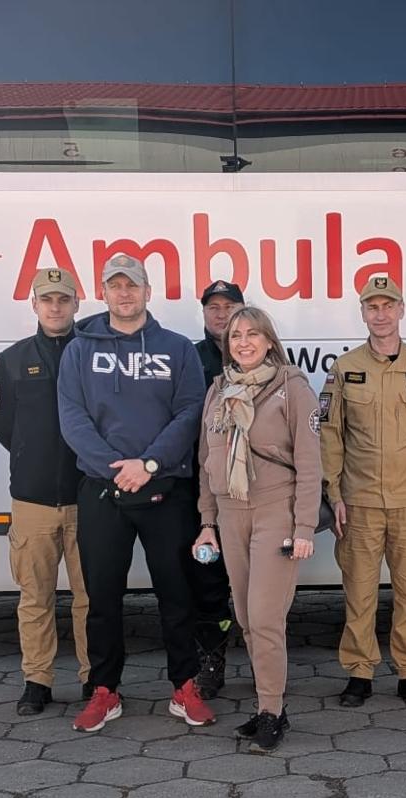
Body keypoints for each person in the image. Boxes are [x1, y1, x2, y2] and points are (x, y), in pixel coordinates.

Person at [58, 254, 214, 732]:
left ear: (149, 292)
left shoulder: (177, 349)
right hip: (103, 492)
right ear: (102, 293)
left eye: (133, 285)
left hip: (165, 489)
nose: (125, 293)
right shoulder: (79, 350)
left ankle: (185, 686)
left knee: (177, 594)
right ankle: (105, 690)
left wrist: (147, 465)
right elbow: (72, 416)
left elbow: (190, 412)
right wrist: (116, 469)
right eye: (115, 286)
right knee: (102, 597)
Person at [320, 274, 406, 708]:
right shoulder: (344, 369)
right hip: (359, 502)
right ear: (362, 313)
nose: (380, 315)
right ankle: (360, 673)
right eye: (372, 307)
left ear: (401, 310)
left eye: (388, 306)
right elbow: (330, 436)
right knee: (358, 592)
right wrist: (333, 494)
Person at [191, 306, 320, 753]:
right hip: (230, 515)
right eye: (235, 335)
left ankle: (271, 710)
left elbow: (309, 463)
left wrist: (304, 525)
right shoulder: (218, 391)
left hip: (274, 513)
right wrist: (207, 523)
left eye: (253, 334)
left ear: (269, 340)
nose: (243, 341)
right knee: (244, 617)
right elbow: (208, 463)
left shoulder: (292, 388)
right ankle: (270, 708)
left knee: (265, 618)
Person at [0, 267, 92, 714]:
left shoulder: (93, 354)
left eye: (63, 299)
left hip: (88, 496)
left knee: (92, 598)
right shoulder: (9, 362)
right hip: (32, 500)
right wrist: (33, 455)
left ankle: (95, 678)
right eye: (47, 299)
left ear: (75, 304)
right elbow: (3, 426)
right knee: (35, 597)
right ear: (34, 304)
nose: (55, 307)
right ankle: (38, 680)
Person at [189, 278, 245, 698]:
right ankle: (211, 662)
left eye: (229, 306)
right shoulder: (189, 359)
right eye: (214, 307)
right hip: (206, 490)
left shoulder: (262, 357)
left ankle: (266, 664)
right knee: (207, 583)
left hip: (254, 494)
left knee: (257, 585)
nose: (221, 313)